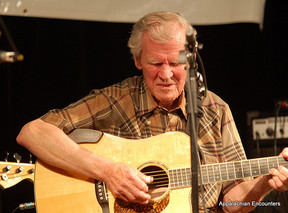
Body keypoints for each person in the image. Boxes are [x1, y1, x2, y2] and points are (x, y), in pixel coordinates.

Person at [16, 11, 288, 212]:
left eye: (176, 62)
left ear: (191, 60)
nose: (167, 74)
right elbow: (32, 133)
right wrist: (108, 171)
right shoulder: (115, 100)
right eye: (156, 63)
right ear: (137, 60)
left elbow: (233, 202)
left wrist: (266, 181)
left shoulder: (215, 110)